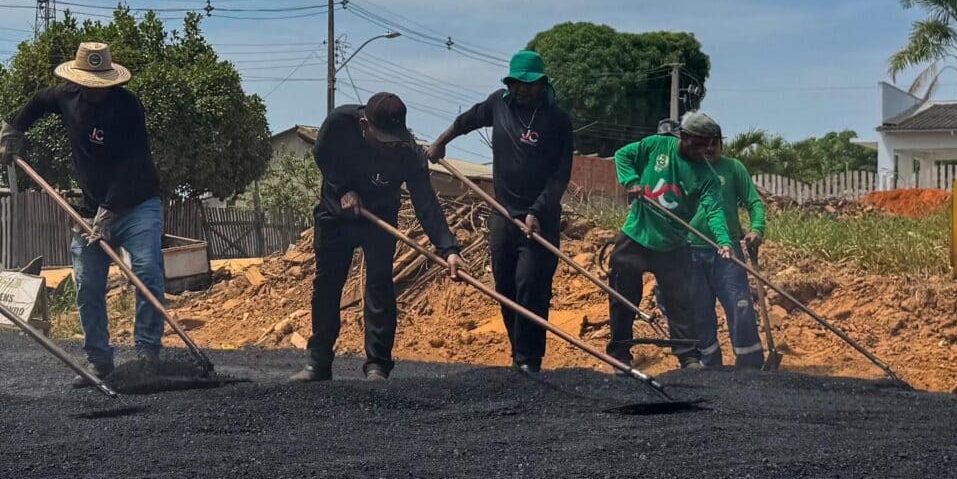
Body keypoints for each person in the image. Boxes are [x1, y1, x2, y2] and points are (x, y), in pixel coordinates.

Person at [1, 41, 166, 383]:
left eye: (100, 85)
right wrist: (14, 127)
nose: (93, 91)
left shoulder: (128, 107)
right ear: (77, 80)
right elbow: (38, 102)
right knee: (88, 284)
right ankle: (99, 360)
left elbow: (132, 164)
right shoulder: (65, 96)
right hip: (89, 211)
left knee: (148, 272)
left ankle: (148, 355)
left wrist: (109, 211)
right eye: (88, 84)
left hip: (137, 205)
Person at [427, 50, 574, 375]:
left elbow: (560, 176)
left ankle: (529, 360)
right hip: (502, 215)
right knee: (505, 288)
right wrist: (440, 142)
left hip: (540, 221)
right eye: (516, 84)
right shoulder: (498, 104)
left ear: (542, 84)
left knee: (530, 287)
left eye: (529, 84)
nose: (522, 89)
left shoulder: (557, 120)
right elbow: (466, 121)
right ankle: (517, 354)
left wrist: (537, 210)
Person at [297, 93, 460, 382]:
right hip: (336, 215)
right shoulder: (339, 123)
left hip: (380, 218)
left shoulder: (410, 153)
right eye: (384, 139)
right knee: (327, 286)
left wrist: (448, 249)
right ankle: (318, 362)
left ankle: (378, 365)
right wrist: (342, 189)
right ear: (365, 126)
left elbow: (426, 202)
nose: (391, 145)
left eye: (395, 140)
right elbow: (323, 156)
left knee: (380, 286)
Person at [606, 111, 728, 369]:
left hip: (673, 244)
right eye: (698, 143)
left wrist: (724, 241)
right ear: (684, 136)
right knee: (623, 297)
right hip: (637, 234)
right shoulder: (657, 145)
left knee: (681, 302)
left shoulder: (706, 175)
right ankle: (620, 354)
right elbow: (622, 155)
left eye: (708, 145)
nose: (703, 150)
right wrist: (632, 181)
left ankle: (688, 356)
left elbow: (715, 210)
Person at [684, 120, 768, 370]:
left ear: (722, 143)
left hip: (728, 251)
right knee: (699, 311)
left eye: (715, 143)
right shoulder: (686, 169)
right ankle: (710, 366)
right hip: (690, 251)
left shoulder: (733, 168)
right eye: (704, 144)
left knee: (740, 305)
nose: (710, 148)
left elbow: (754, 202)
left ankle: (749, 364)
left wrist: (756, 229)